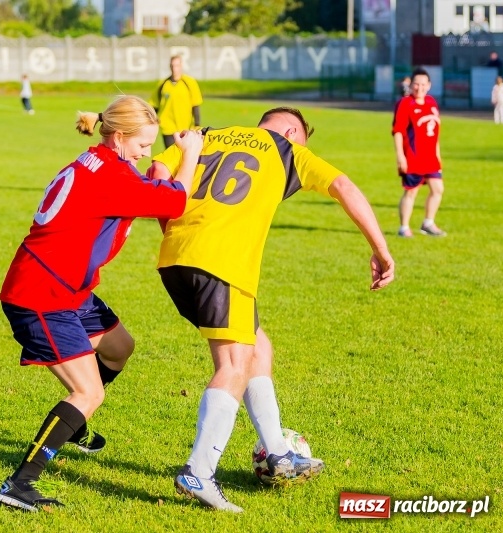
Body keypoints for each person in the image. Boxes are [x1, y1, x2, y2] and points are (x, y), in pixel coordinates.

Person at [147, 107, 395, 513]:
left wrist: (177, 231)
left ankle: (278, 452)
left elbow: (158, 168)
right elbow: (343, 186)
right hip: (222, 263)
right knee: (234, 364)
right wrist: (381, 250)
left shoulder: (208, 133)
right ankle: (199, 472)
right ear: (292, 131)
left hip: (175, 258)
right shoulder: (287, 150)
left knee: (258, 348)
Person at [0, 95, 204, 512]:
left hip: (69, 287)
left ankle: (72, 425)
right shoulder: (111, 176)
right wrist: (191, 154)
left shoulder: (102, 161)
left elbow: (142, 188)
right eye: (142, 144)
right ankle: (19, 483)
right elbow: (175, 202)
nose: (146, 151)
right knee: (88, 392)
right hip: (42, 293)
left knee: (118, 347)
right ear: (119, 136)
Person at [392, 67, 446, 237]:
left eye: (423, 84)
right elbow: (398, 131)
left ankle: (428, 223)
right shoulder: (405, 103)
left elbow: (435, 132)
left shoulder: (431, 103)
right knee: (411, 191)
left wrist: (437, 155)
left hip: (431, 158)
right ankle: (404, 228)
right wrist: (400, 156)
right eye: (416, 84)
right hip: (413, 157)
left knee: (438, 189)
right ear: (411, 85)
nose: (419, 88)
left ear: (429, 85)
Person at [149, 55, 203, 148]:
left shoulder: (190, 83)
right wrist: (150, 124)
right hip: (167, 127)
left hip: (185, 128)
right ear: (170, 67)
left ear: (181, 66)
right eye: (172, 66)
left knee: (184, 154)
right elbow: (154, 106)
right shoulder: (163, 84)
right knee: (172, 154)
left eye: (177, 65)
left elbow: (196, 105)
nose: (174, 69)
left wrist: (197, 124)